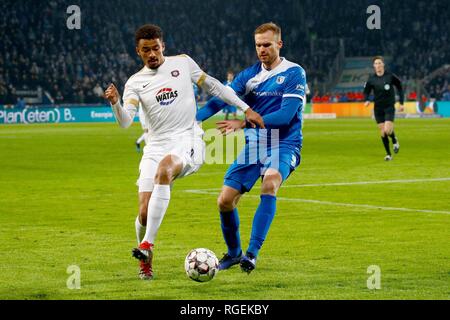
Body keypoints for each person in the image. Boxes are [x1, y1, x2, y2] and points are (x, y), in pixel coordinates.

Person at [104, 24, 264, 280]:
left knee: (165, 168)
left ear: (163, 46)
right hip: (154, 146)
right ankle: (146, 261)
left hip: (186, 140)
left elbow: (214, 86)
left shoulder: (183, 63)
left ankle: (147, 245)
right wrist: (115, 103)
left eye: (156, 48)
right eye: (146, 50)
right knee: (144, 213)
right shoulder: (135, 83)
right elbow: (125, 122)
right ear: (138, 51)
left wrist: (246, 108)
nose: (152, 53)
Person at [196, 22, 306, 274]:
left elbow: (286, 116)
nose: (262, 49)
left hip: (284, 143)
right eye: (258, 45)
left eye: (267, 44)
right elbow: (219, 100)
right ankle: (234, 253)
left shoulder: (294, 73)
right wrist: (194, 119)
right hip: (255, 145)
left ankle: (251, 254)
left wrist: (243, 122)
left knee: (270, 182)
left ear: (279, 44)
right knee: (224, 201)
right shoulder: (248, 76)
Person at [364, 56, 404, 161]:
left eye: (379, 63)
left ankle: (394, 139)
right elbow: (366, 91)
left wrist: (401, 102)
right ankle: (388, 154)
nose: (378, 65)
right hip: (378, 108)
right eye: (376, 64)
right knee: (382, 131)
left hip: (389, 106)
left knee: (387, 129)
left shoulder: (390, 76)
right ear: (374, 66)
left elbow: (399, 87)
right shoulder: (371, 79)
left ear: (383, 65)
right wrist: (367, 99)